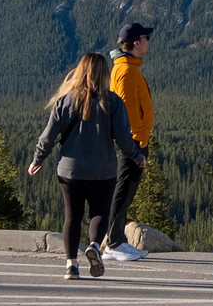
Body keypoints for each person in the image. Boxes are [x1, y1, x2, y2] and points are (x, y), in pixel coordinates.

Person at [29, 52, 146, 279]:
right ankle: (93, 245)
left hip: (69, 170)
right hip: (102, 170)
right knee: (100, 213)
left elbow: (48, 137)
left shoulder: (64, 101)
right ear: (104, 74)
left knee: (72, 216)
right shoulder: (113, 102)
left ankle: (71, 265)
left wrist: (38, 159)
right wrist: (136, 156)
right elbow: (123, 138)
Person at [102, 22, 156, 262]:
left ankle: (119, 241)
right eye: (146, 38)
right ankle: (113, 243)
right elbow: (128, 112)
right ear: (136, 42)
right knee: (122, 192)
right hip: (131, 143)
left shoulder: (131, 67)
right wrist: (138, 146)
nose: (148, 42)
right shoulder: (125, 71)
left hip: (133, 141)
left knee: (126, 192)